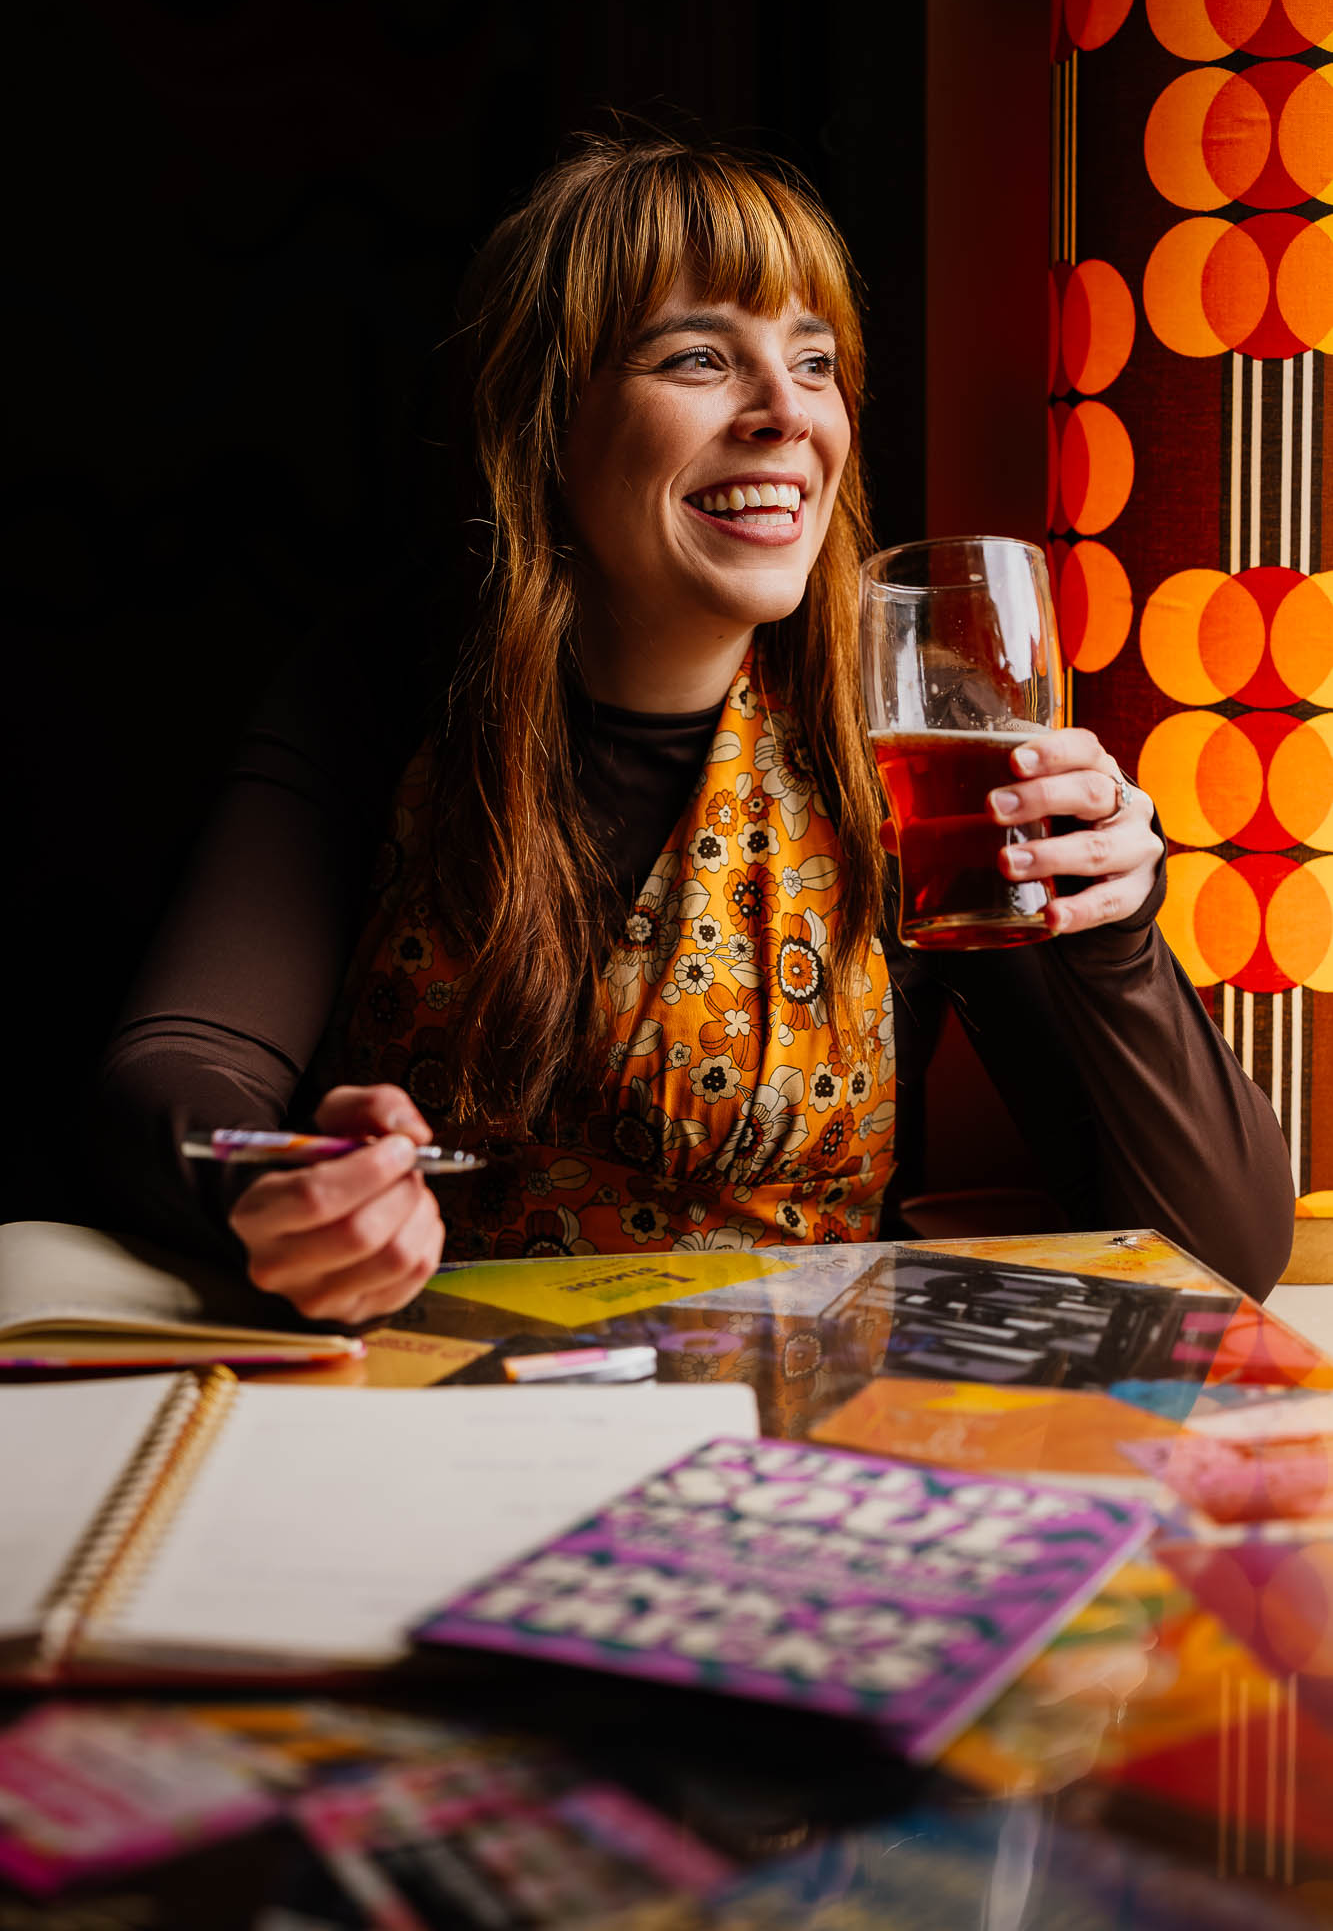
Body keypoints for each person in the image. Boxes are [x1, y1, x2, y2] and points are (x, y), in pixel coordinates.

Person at [90, 134, 1294, 1323]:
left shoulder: (910, 738)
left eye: (814, 361)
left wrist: (1115, 936)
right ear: (545, 420)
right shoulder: (381, 694)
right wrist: (276, 1178)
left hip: (790, 1457)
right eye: (699, 356)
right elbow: (178, 1063)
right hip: (440, 1424)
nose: (785, 413)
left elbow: (1222, 1252)